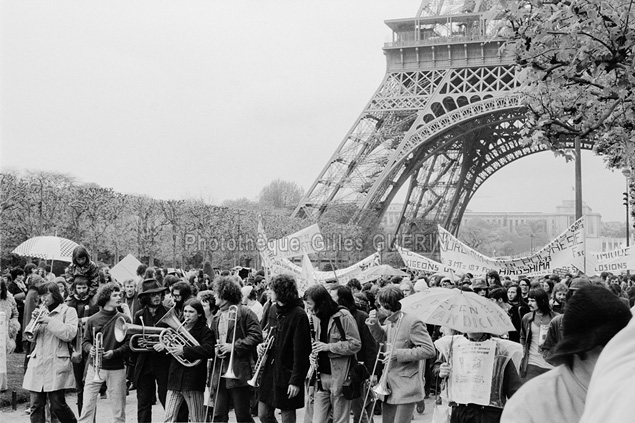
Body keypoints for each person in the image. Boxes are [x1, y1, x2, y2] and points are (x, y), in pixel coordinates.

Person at [501, 285, 632, 423]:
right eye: (610, 348)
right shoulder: (529, 406)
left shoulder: (626, 391)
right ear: (581, 350)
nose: (622, 357)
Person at [366, 285, 436, 423]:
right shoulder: (391, 320)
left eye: (380, 306)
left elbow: (429, 350)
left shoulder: (413, 321)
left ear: (387, 305)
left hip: (406, 384)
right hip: (389, 382)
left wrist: (398, 354)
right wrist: (373, 324)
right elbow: (382, 337)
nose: (379, 308)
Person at [435, 330, 523, 423]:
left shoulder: (499, 350)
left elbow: (514, 388)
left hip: (488, 413)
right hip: (461, 411)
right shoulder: (454, 345)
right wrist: (440, 370)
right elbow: (436, 367)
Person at [258, 274, 312, 423]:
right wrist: (262, 346)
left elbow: (301, 352)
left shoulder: (299, 315)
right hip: (270, 369)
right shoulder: (273, 309)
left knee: (287, 415)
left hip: (287, 371)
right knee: (263, 414)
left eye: (272, 289)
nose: (269, 292)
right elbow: (268, 334)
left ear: (281, 291)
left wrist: (295, 380)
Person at [304, 284, 361, 423]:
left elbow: (355, 344)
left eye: (310, 304)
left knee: (340, 420)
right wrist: (312, 354)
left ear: (320, 302)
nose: (308, 308)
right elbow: (316, 343)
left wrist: (328, 347)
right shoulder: (315, 317)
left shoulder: (343, 316)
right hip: (320, 377)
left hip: (340, 376)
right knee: (317, 420)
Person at [22, 282, 79, 423]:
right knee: (36, 405)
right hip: (38, 363)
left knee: (58, 405)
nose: (43, 298)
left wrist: (49, 321)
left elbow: (69, 333)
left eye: (46, 294)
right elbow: (30, 336)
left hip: (56, 362)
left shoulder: (68, 311)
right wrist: (34, 321)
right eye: (41, 295)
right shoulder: (41, 310)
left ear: (55, 294)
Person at [209, 276, 263, 423]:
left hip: (239, 371)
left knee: (243, 416)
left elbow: (257, 335)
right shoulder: (217, 316)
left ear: (224, 295)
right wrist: (215, 348)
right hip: (220, 370)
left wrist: (233, 346)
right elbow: (213, 340)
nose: (214, 296)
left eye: (216, 293)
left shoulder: (244, 312)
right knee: (218, 415)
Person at [78, 283, 131, 423]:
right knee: (87, 408)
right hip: (95, 367)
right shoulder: (92, 320)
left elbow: (129, 344)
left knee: (119, 411)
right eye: (115, 295)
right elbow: (85, 342)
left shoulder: (125, 319)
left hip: (117, 368)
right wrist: (91, 349)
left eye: (119, 294)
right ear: (106, 298)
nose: (119, 297)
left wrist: (114, 352)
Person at [160, 298, 215, 423]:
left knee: (197, 419)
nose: (187, 315)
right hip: (175, 379)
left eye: (191, 312)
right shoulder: (176, 329)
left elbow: (208, 350)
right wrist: (166, 346)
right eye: (185, 311)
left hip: (192, 381)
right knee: (168, 418)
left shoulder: (205, 331)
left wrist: (184, 350)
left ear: (199, 314)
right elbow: (171, 352)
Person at [332, 285, 379, 423]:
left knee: (359, 408)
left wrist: (373, 372)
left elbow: (371, 347)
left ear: (342, 299)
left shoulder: (360, 317)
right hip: (338, 370)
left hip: (357, 371)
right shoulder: (332, 316)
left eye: (333, 297)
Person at [132, 279, 171, 423]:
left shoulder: (169, 313)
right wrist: (139, 342)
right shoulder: (139, 315)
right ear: (146, 298)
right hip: (145, 362)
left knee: (167, 399)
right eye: (153, 294)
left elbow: (175, 336)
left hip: (164, 362)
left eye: (159, 294)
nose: (157, 297)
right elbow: (133, 339)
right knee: (143, 402)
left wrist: (164, 343)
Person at [65, 276, 98, 414]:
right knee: (79, 385)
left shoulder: (93, 301)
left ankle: (91, 417)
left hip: (89, 343)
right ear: (75, 288)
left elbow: (99, 317)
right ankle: (81, 415)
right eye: (79, 288)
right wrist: (79, 320)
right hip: (75, 345)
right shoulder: (70, 302)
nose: (82, 291)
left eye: (84, 287)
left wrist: (88, 319)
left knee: (90, 384)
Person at [519, 288, 558, 383]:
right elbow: (523, 337)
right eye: (528, 300)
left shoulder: (557, 318)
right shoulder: (527, 318)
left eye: (532, 301)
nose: (529, 303)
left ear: (542, 301)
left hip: (551, 364)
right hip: (532, 363)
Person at [0, 276, 20, 391]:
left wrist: (13, 325)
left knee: (1, 359)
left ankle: (2, 384)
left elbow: (15, 313)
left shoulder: (9, 298)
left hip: (3, 331)